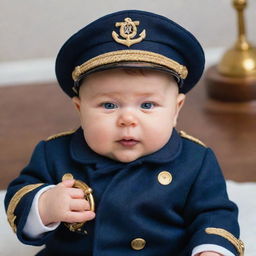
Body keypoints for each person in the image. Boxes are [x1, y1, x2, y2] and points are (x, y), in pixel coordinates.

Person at [5, 10, 244, 256]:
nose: (127, 119)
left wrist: (212, 250)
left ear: (176, 109)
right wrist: (44, 204)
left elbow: (215, 214)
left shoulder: (195, 160)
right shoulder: (54, 153)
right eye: (109, 105)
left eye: (147, 105)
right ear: (80, 109)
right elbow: (18, 197)